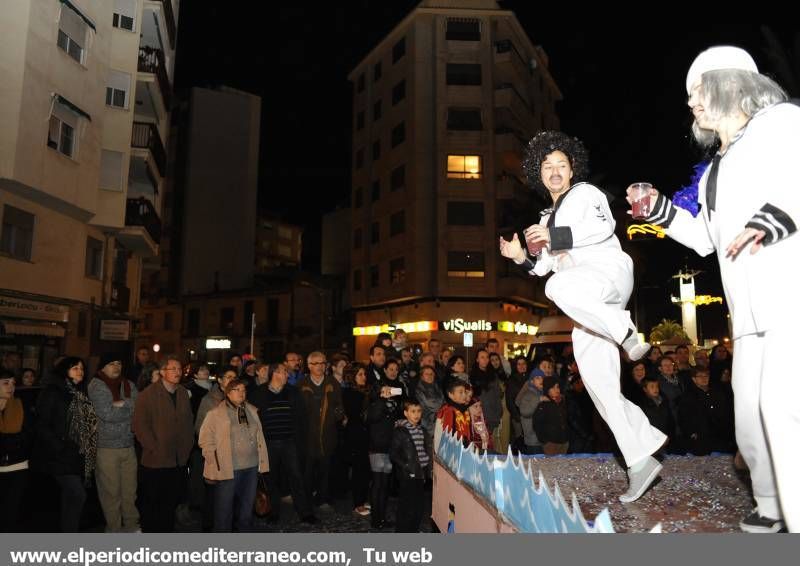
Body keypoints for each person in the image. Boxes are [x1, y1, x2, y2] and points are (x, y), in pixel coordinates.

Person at [633, 45, 799, 532]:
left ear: (730, 84)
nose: (691, 104)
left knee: (783, 410)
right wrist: (661, 211)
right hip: (747, 319)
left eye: (697, 92)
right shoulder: (716, 170)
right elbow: (709, 239)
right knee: (749, 422)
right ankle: (770, 505)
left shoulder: (780, 123)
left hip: (790, 299)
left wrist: (773, 219)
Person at [500, 130, 666, 502]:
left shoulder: (586, 194)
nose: (555, 171)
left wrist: (553, 236)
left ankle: (625, 331)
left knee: (557, 289)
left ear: (572, 169)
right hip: (588, 301)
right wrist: (519, 257)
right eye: (547, 166)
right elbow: (542, 267)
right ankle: (640, 460)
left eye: (561, 164)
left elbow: (603, 227)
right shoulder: (547, 215)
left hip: (606, 275)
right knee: (598, 382)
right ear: (538, 173)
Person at [32, 357, 97, 532]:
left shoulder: (79, 392)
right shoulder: (53, 391)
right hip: (59, 455)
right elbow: (41, 424)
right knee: (77, 495)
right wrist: (59, 445)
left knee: (70, 498)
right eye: (75, 368)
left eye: (82, 368)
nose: (80, 371)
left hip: (76, 453)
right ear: (64, 371)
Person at [199, 379, 269, 532]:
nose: (241, 393)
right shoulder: (216, 413)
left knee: (246, 508)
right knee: (224, 510)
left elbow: (259, 437)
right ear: (228, 393)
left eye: (243, 390)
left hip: (251, 467)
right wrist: (214, 461)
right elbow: (205, 439)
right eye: (237, 390)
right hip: (228, 468)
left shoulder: (252, 411)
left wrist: (261, 462)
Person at [87, 352, 140, 532]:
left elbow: (138, 407)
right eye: (111, 363)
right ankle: (114, 530)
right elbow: (107, 414)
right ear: (102, 367)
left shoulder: (129, 384)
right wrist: (128, 405)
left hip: (128, 444)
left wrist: (120, 403)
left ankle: (132, 527)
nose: (116, 367)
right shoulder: (97, 385)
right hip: (106, 447)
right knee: (111, 493)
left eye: (118, 363)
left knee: (130, 492)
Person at [390, 399, 430, 533]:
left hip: (420, 472)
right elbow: (394, 453)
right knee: (407, 506)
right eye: (413, 411)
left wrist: (427, 467)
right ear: (406, 413)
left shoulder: (422, 430)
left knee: (419, 506)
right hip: (407, 474)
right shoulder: (401, 431)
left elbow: (425, 449)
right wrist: (406, 466)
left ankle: (413, 530)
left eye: (419, 411)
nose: (416, 414)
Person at [0, 369, 32, 532]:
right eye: (6, 383)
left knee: (11, 512)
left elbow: (28, 434)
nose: (11, 387)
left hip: (17, 465)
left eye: (13, 383)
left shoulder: (20, 404)